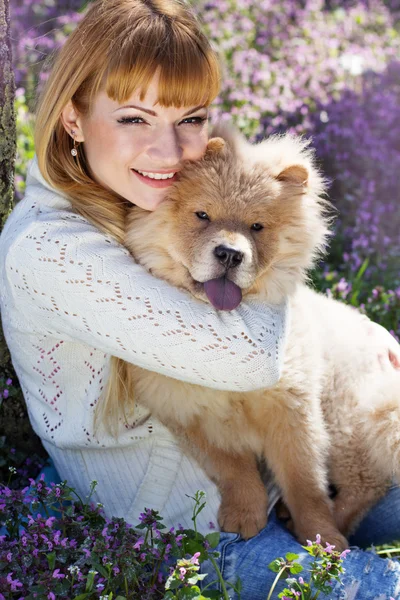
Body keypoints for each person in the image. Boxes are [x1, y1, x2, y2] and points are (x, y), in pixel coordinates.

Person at [1, 1, 400, 598]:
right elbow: (249, 353)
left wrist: (356, 341)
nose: (169, 150)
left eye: (190, 117)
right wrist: (282, 271)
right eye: (135, 117)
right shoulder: (52, 252)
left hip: (299, 462)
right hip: (198, 526)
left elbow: (249, 246)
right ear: (72, 118)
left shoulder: (136, 192)